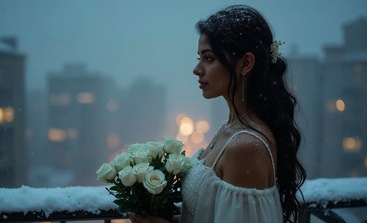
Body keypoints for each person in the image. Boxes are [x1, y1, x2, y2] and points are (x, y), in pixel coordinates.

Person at [130, 4, 306, 223]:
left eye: (209, 58)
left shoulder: (246, 147)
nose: (197, 69)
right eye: (199, 58)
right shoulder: (229, 128)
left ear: (246, 63)